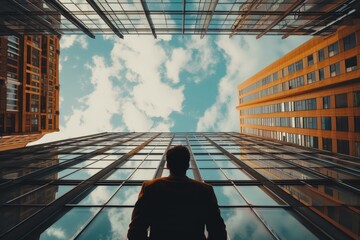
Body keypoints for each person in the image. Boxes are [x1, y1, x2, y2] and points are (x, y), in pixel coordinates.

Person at [127, 145, 227, 240]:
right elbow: (218, 231)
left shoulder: (151, 187)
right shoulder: (204, 190)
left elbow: (136, 231)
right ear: (187, 165)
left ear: (167, 165)